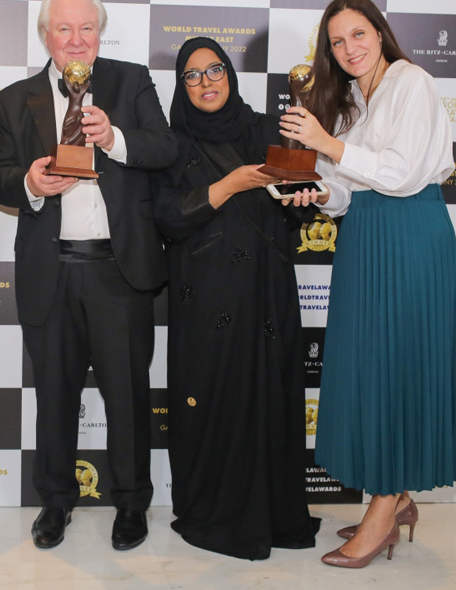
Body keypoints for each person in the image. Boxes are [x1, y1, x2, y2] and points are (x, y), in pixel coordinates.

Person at [0, 0, 177, 551]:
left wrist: (114, 138)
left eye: (86, 29)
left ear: (100, 33)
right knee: (54, 396)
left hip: (119, 273)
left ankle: (130, 504)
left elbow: (164, 149)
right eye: (64, 30)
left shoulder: (130, 79)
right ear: (46, 36)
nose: (76, 41)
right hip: (51, 272)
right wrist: (30, 184)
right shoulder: (13, 99)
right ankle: (55, 502)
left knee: (127, 398)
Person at [281, 0, 456, 568]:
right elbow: (345, 188)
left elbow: (403, 174)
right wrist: (318, 191)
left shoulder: (412, 82)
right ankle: (394, 496)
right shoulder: (353, 100)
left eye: (358, 34)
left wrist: (323, 142)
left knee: (398, 365)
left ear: (379, 33)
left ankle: (385, 507)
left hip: (410, 236)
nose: (349, 48)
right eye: (337, 41)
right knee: (368, 367)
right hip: (363, 237)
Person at [153, 37, 321, 561]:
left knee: (268, 394)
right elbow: (166, 219)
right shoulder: (170, 143)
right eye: (193, 75)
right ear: (181, 85)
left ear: (230, 74)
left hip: (267, 292)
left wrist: (305, 198)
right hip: (204, 297)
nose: (206, 83)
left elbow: (296, 212)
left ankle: (273, 511)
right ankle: (213, 510)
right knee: (212, 402)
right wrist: (227, 185)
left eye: (215, 70)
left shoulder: (267, 131)